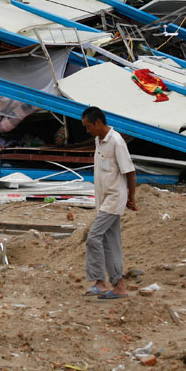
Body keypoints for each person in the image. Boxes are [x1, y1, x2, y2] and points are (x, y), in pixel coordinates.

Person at [81, 106, 137, 299]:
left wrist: (131, 197)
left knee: (93, 237)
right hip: (105, 200)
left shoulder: (116, 141)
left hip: (114, 199)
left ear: (98, 122)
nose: (88, 131)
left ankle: (99, 281)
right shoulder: (99, 141)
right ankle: (119, 286)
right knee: (110, 242)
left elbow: (129, 171)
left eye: (89, 126)